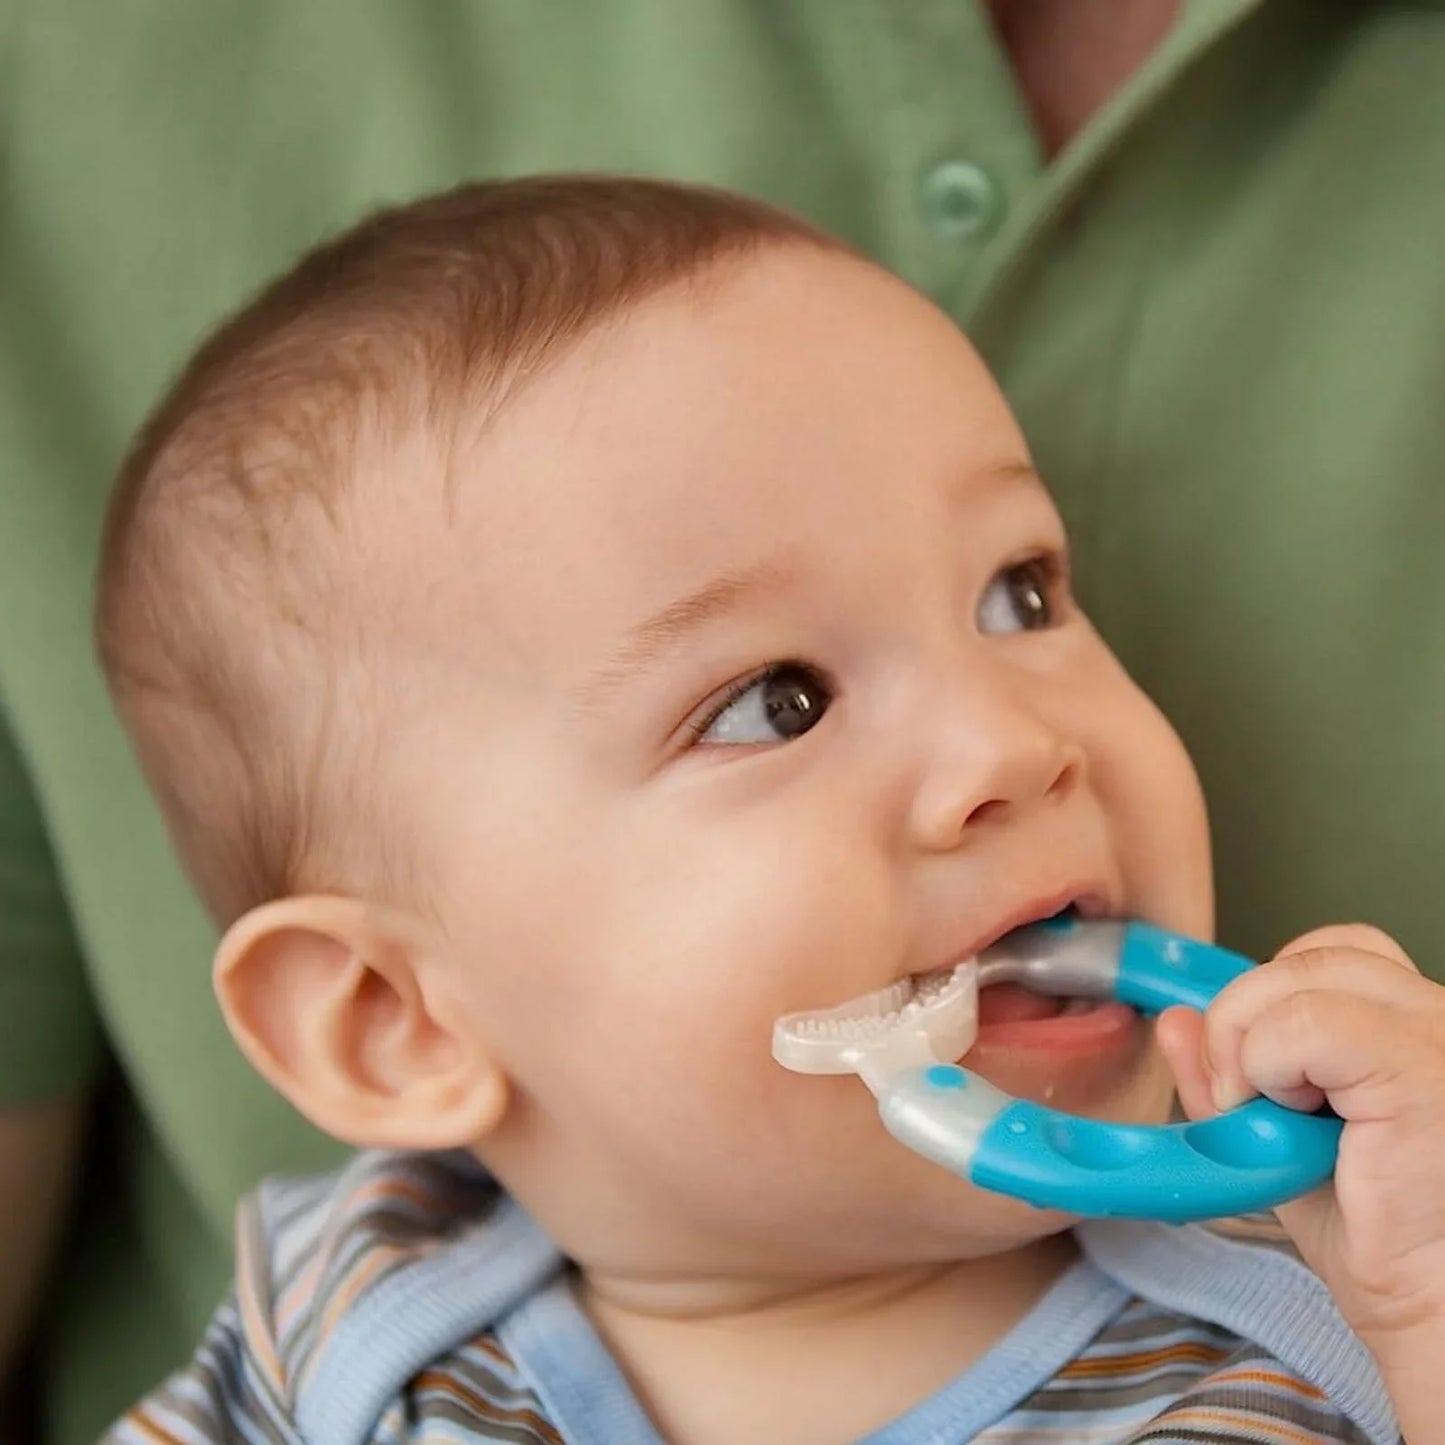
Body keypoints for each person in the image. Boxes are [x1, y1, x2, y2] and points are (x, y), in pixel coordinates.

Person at [6, 5, 1445, 1441]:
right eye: (777, 703)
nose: (1012, 746)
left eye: (1017, 594)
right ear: (396, 1022)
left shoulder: (1341, 1309)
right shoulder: (341, 1316)